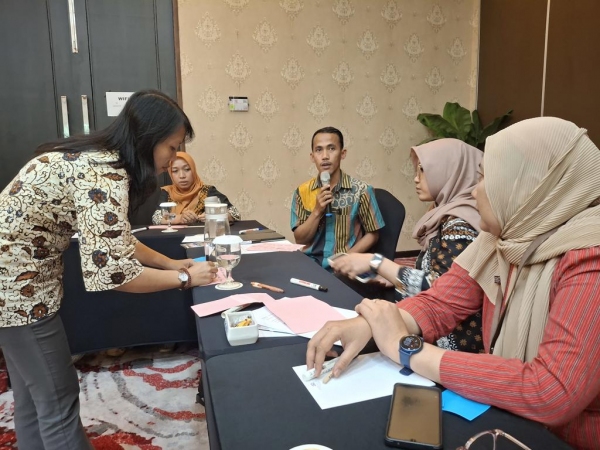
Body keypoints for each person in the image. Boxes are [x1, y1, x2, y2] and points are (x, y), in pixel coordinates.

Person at [307, 117, 600, 449]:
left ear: (530, 187)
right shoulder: (503, 236)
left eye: (486, 178)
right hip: (511, 420)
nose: (474, 191)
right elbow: (440, 302)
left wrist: (407, 349)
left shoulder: (589, 257)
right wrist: (371, 324)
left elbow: (550, 389)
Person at [0, 90, 219, 450]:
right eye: (171, 147)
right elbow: (115, 274)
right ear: (148, 138)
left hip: (15, 287)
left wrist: (170, 262)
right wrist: (185, 277)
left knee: (32, 397)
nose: (172, 159)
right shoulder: (104, 175)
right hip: (17, 292)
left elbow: (116, 238)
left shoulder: (96, 159)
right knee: (57, 400)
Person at [331, 139, 484, 353]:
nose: (416, 178)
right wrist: (392, 275)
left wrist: (377, 262)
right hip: (428, 316)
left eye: (424, 170)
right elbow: (438, 272)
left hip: (446, 338)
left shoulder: (460, 225)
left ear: (449, 172)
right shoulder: (445, 213)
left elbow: (442, 294)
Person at [290, 126, 385, 271]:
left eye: (331, 148)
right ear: (312, 157)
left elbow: (373, 234)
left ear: (342, 153)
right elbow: (300, 239)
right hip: (310, 264)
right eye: (319, 150)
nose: (325, 156)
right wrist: (317, 211)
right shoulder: (302, 192)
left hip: (344, 268)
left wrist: (346, 259)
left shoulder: (361, 190)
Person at [152, 151, 240, 225]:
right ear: (170, 174)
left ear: (193, 170)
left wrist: (214, 216)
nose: (182, 176)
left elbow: (235, 213)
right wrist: (180, 218)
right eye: (175, 171)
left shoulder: (207, 191)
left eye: (187, 169)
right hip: (174, 237)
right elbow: (157, 218)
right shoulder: (167, 191)